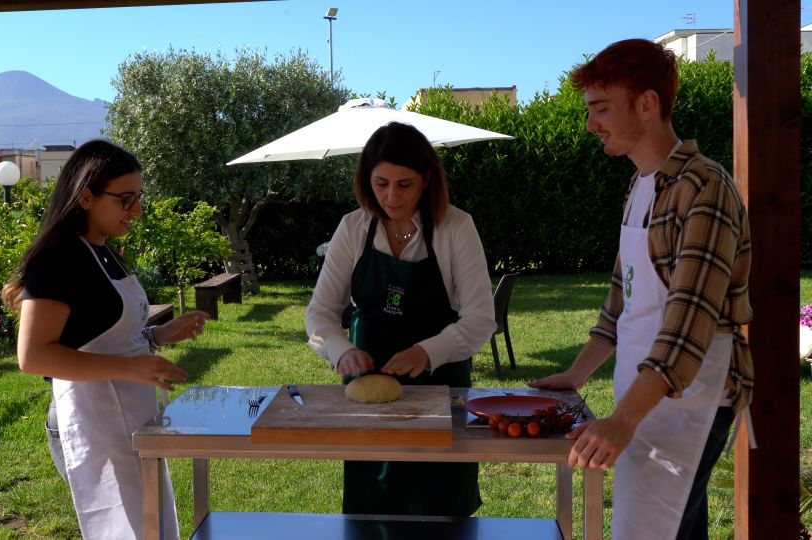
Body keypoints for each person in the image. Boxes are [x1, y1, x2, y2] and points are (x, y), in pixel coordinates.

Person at [529, 39, 753, 540]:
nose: (591, 125)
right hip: (645, 397)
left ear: (647, 104)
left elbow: (686, 331)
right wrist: (577, 372)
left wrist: (623, 421)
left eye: (601, 109)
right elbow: (621, 301)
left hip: (692, 399)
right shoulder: (641, 185)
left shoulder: (704, 188)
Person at [1, 139, 209, 539]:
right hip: (90, 421)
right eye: (126, 200)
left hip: (126, 419)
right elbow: (33, 356)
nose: (138, 211)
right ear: (86, 197)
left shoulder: (103, 251)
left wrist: (157, 335)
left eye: (139, 198)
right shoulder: (60, 258)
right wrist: (128, 367)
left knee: (150, 527)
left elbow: (102, 336)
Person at [305, 122, 496, 517]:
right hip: (366, 386)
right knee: (373, 504)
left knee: (440, 504)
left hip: (440, 383)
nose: (392, 196)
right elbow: (320, 313)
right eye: (381, 183)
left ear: (427, 180)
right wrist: (341, 351)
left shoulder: (456, 227)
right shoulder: (353, 228)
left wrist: (427, 352)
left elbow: (480, 319)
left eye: (404, 184)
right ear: (366, 180)